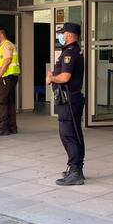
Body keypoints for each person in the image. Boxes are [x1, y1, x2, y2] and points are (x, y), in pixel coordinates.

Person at [46, 22, 85, 186]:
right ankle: (75, 168)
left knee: (68, 135)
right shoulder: (72, 52)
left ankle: (75, 171)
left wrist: (51, 78)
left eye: (62, 33)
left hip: (69, 100)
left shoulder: (70, 53)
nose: (60, 36)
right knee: (73, 134)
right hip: (69, 99)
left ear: (68, 35)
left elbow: (65, 78)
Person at [0, 28, 20, 136]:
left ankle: (3, 128)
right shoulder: (4, 46)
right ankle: (12, 127)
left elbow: (7, 60)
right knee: (9, 102)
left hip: (6, 77)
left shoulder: (7, 45)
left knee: (1, 102)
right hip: (9, 77)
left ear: (1, 35)